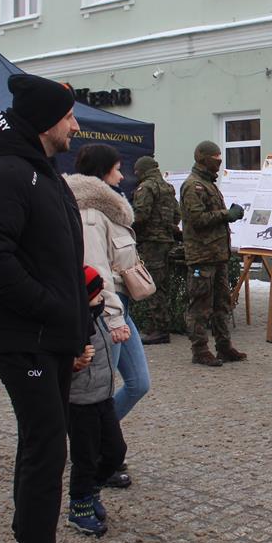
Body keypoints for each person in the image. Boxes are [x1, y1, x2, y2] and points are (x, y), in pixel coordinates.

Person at [0, 73, 99, 543]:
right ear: (46, 122)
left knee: (42, 446)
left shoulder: (41, 171)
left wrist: (76, 317)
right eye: (68, 117)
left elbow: (54, 257)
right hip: (26, 340)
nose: (75, 126)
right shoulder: (7, 174)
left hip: (49, 336)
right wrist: (50, 310)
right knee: (46, 452)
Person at [67, 144, 150, 487]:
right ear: (102, 171)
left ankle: (99, 444)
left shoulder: (107, 208)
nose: (121, 175)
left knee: (139, 383)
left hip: (118, 308)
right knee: (100, 392)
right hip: (104, 312)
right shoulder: (90, 213)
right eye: (116, 169)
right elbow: (95, 273)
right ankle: (99, 456)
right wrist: (114, 319)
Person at [67, 266, 127, 537]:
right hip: (80, 403)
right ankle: (79, 506)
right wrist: (73, 363)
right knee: (85, 458)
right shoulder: (70, 324)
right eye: (96, 294)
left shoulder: (98, 316)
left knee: (116, 451)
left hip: (104, 397)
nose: (101, 299)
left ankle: (93, 489)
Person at [180, 140, 247, 367]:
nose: (219, 162)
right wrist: (227, 214)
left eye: (220, 158)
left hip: (217, 255)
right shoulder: (193, 186)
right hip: (202, 256)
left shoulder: (209, 184)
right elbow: (197, 219)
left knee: (222, 304)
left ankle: (224, 347)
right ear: (203, 158)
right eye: (215, 158)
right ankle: (200, 350)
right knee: (200, 306)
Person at [130, 155, 180, 345]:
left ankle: (158, 329)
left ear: (141, 171)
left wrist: (127, 226)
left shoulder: (146, 187)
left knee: (152, 285)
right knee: (162, 284)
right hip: (166, 241)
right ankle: (160, 325)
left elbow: (140, 215)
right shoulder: (168, 187)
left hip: (151, 243)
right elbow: (177, 215)